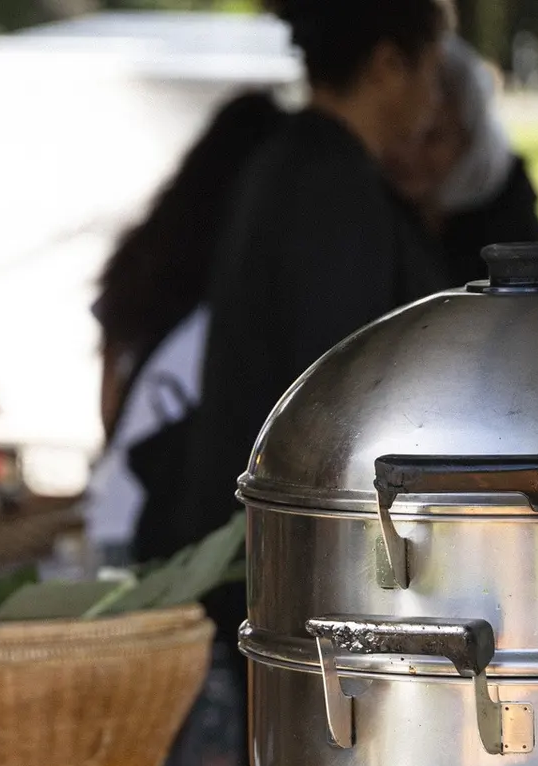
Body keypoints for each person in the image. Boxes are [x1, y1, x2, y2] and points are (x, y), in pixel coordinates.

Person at [177, 0, 449, 576]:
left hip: (263, 538)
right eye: (432, 67)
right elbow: (341, 397)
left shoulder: (299, 164)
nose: (436, 93)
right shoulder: (330, 189)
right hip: (286, 557)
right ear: (386, 66)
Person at [85, 91, 283, 563]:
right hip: (171, 523)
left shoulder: (147, 255)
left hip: (117, 501)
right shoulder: (249, 280)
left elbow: (111, 399)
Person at [384, 33, 538, 287]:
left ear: (469, 140)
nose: (408, 153)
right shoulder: (367, 201)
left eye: (433, 137)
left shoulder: (507, 212)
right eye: (400, 132)